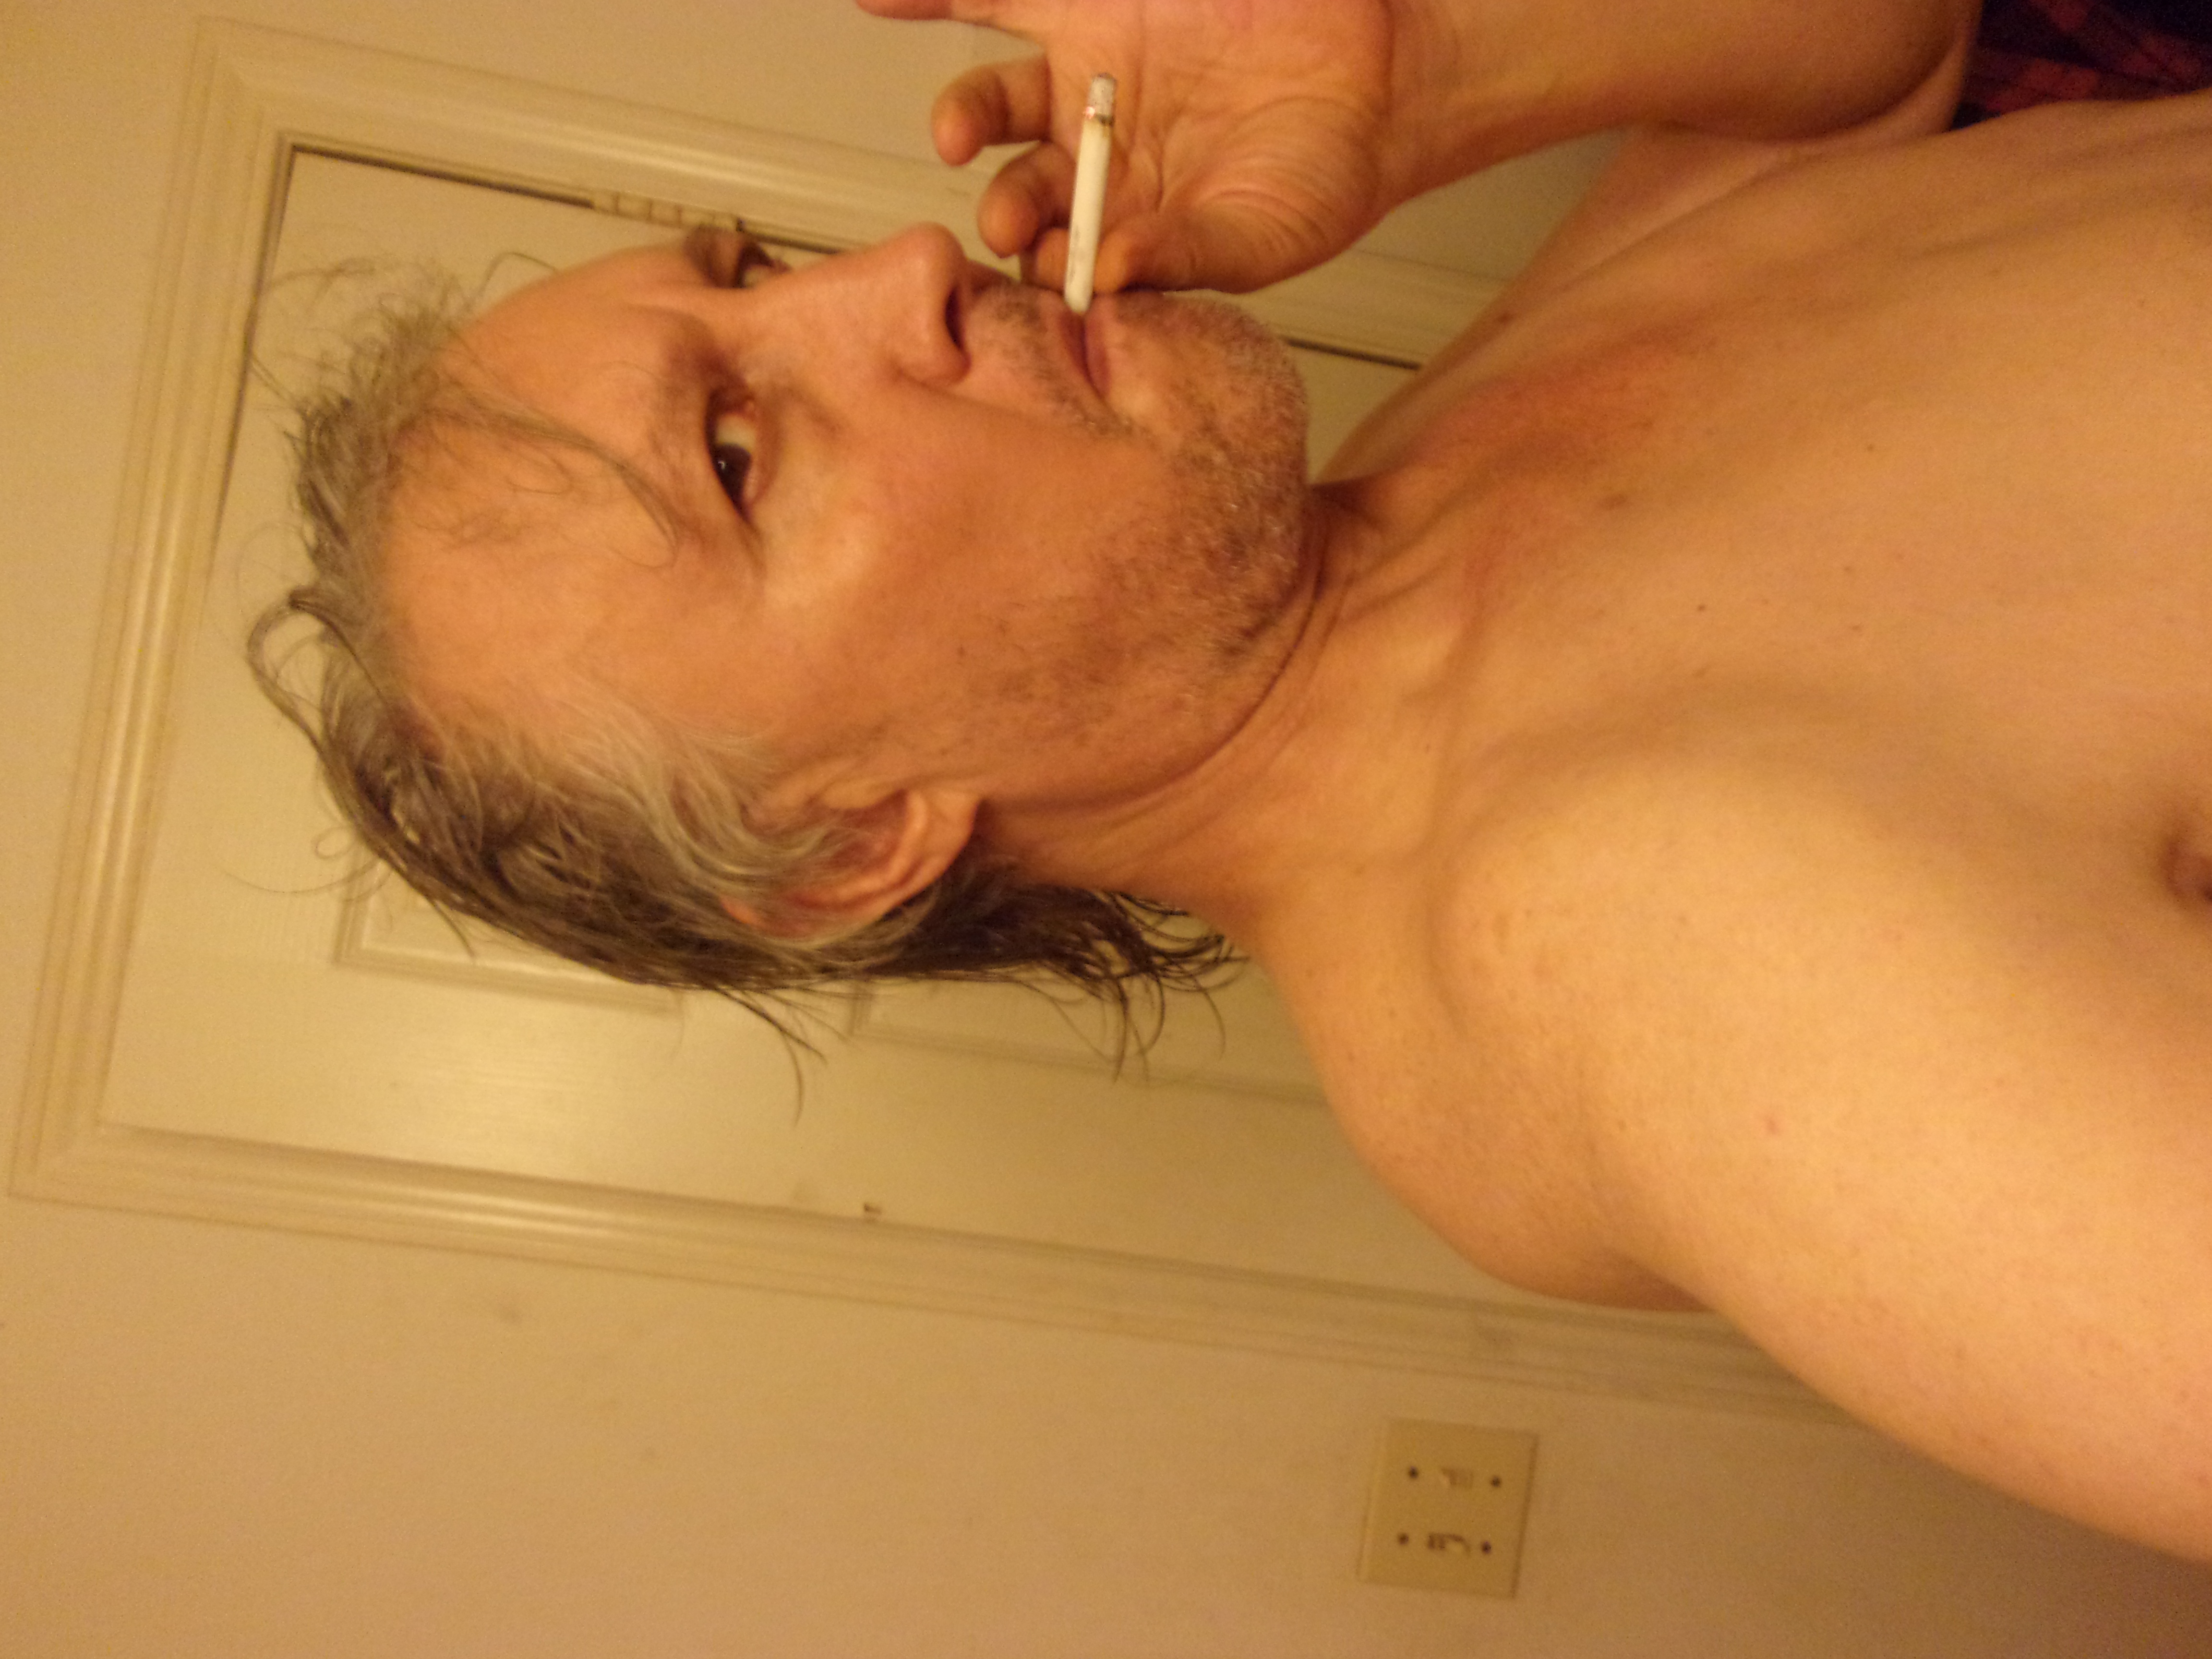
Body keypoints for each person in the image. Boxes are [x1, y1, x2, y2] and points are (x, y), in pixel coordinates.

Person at [253, 0, 2212, 1560]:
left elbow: (1883, 61)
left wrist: (1427, 67)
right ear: (852, 838)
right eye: (741, 452)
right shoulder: (1615, 941)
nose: (903, 264)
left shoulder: (1436, 463)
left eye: (752, 271)